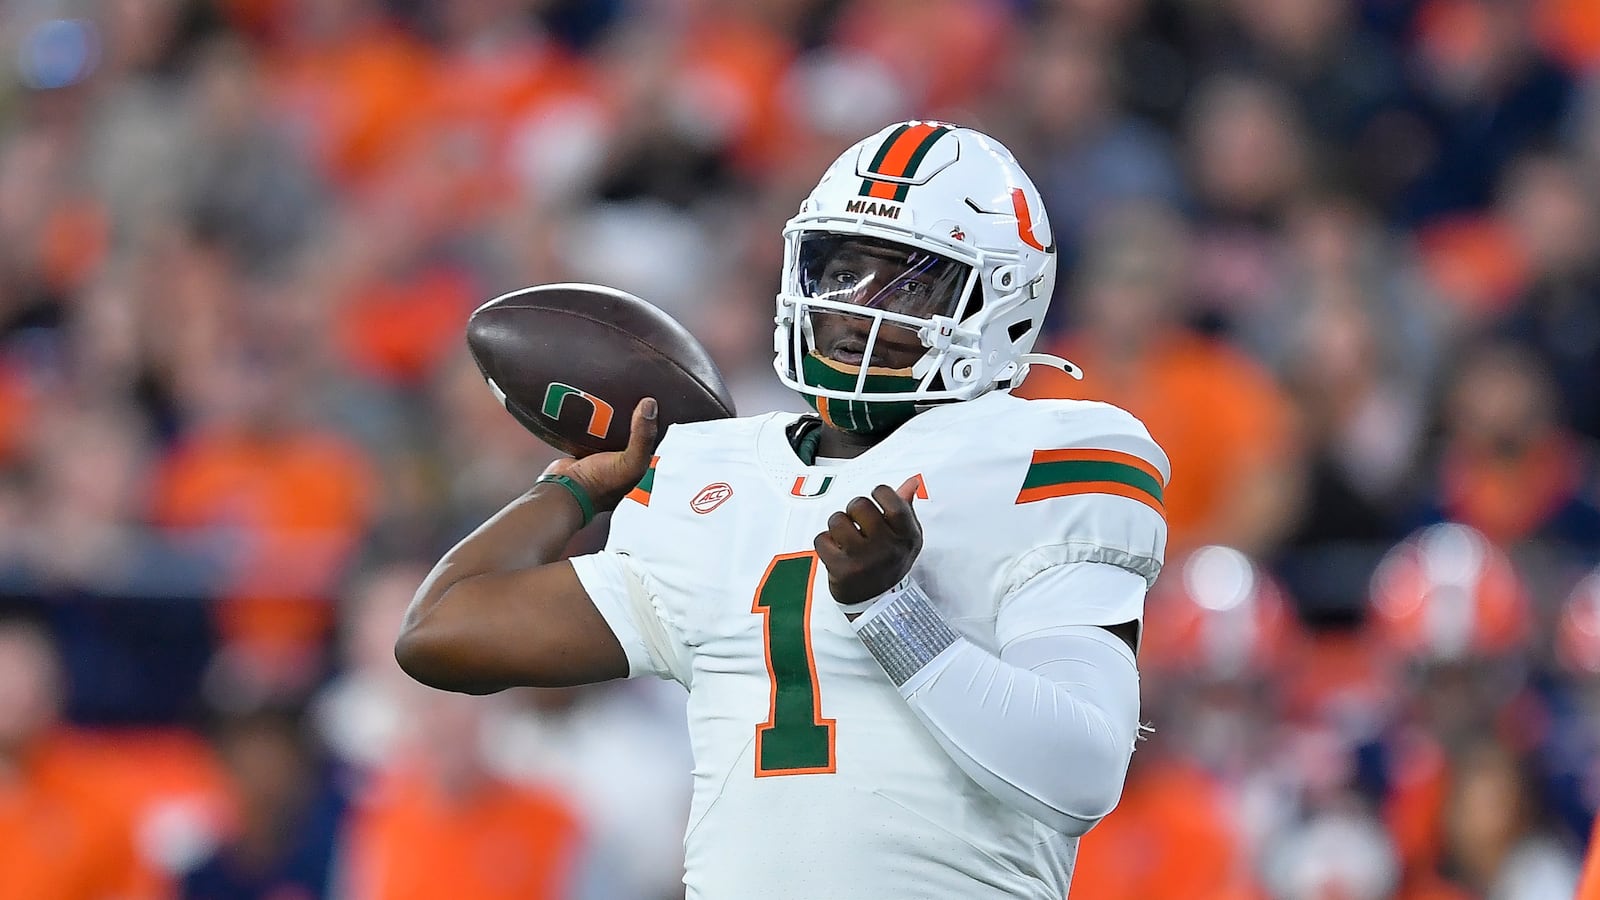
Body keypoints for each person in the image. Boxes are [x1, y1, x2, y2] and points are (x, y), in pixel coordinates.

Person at [397, 120, 1166, 898]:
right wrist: (575, 487)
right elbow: (440, 631)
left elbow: (1080, 773)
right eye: (842, 271)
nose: (859, 308)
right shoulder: (711, 474)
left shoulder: (1044, 453)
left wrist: (892, 614)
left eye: (912, 282)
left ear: (1001, 304)